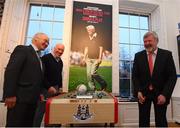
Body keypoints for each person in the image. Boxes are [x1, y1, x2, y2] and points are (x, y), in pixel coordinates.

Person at [3, 32, 49, 127]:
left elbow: (37, 78)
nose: (47, 44)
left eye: (48, 42)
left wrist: (39, 93)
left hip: (32, 101)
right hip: (19, 100)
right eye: (45, 41)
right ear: (36, 39)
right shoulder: (23, 50)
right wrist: (9, 95)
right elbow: (11, 71)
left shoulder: (39, 58)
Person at [132, 31, 177, 127]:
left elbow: (172, 76)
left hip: (161, 94)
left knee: (161, 121)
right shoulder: (138, 56)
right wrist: (138, 91)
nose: (147, 43)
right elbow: (135, 76)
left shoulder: (167, 55)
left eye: (149, 41)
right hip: (143, 94)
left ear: (156, 41)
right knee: (143, 121)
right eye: (145, 41)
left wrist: (165, 94)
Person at [33, 43, 65, 126]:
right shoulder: (45, 58)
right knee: (40, 112)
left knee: (51, 112)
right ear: (54, 48)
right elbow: (41, 75)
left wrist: (60, 87)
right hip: (44, 89)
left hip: (56, 89)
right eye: (59, 49)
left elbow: (59, 75)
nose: (60, 51)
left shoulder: (60, 61)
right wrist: (49, 87)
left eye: (62, 50)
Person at [83, 25, 107, 91]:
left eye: (90, 30)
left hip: (96, 59)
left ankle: (103, 84)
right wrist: (84, 57)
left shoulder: (98, 37)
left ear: (93, 30)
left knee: (93, 73)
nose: (89, 31)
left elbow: (101, 48)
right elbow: (86, 48)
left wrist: (100, 58)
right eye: (88, 30)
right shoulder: (87, 38)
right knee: (88, 75)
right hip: (88, 59)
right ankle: (93, 89)